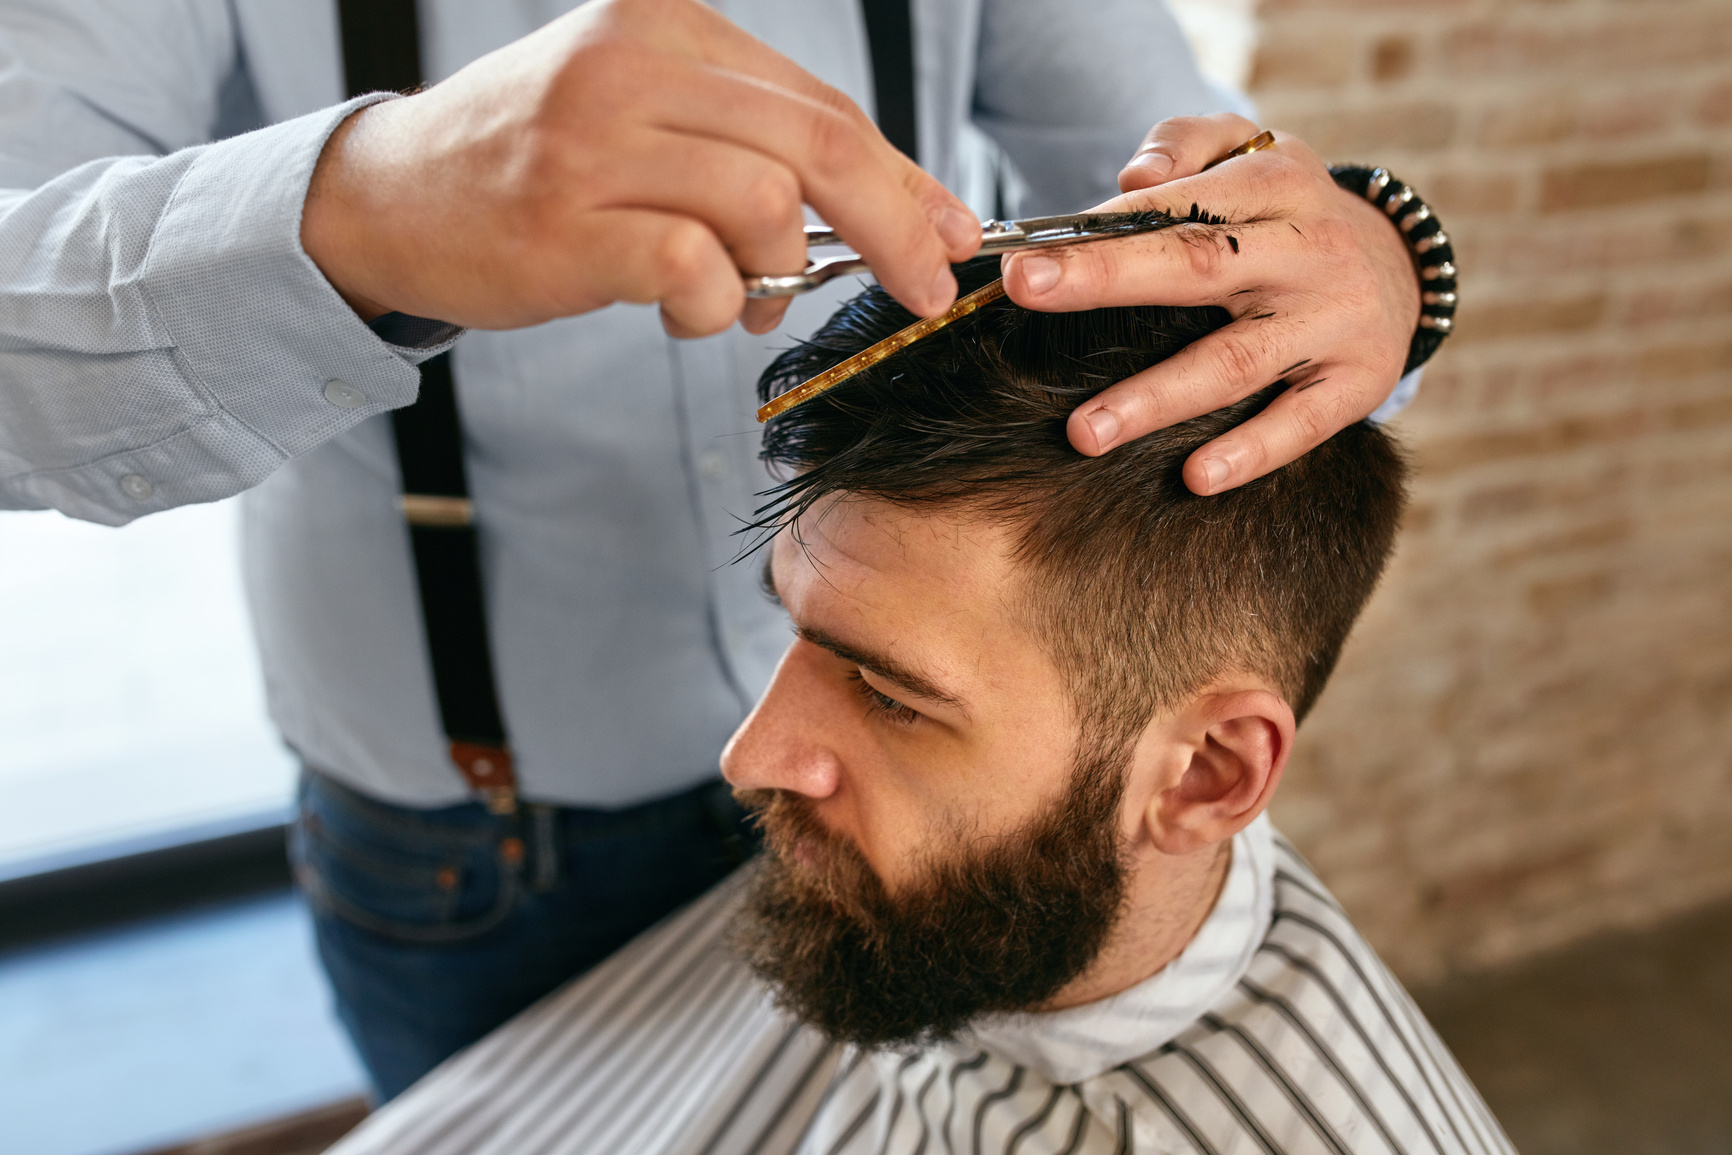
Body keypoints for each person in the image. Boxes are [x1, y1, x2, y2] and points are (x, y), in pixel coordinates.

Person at [0, 0, 1432, 1097]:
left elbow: (1210, 199)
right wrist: (366, 207)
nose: (757, 747)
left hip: (940, 796)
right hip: (470, 844)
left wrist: (1378, 253)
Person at [319, 261, 1507, 1155]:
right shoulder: (932, 907)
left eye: (889, 694)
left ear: (1203, 775)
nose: (748, 757)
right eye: (798, 635)